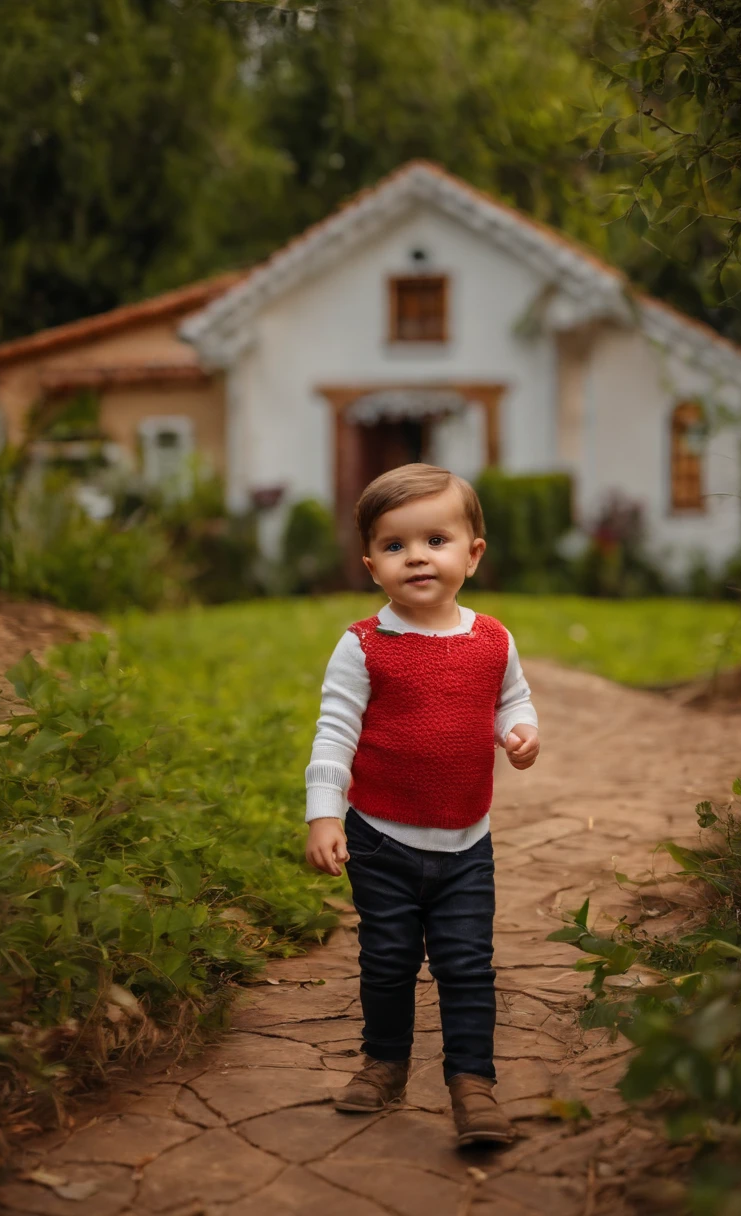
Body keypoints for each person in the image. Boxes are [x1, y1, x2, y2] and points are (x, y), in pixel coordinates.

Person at [304, 463, 539, 1147]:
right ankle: (384, 1063)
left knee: (467, 964)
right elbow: (335, 728)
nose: (417, 557)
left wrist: (519, 733)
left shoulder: (493, 639)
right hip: (380, 839)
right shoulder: (363, 645)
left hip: (468, 843)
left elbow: (512, 700)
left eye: (436, 539)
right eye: (395, 545)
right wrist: (324, 811)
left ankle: (473, 1083)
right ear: (372, 562)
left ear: (473, 553)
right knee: (387, 960)